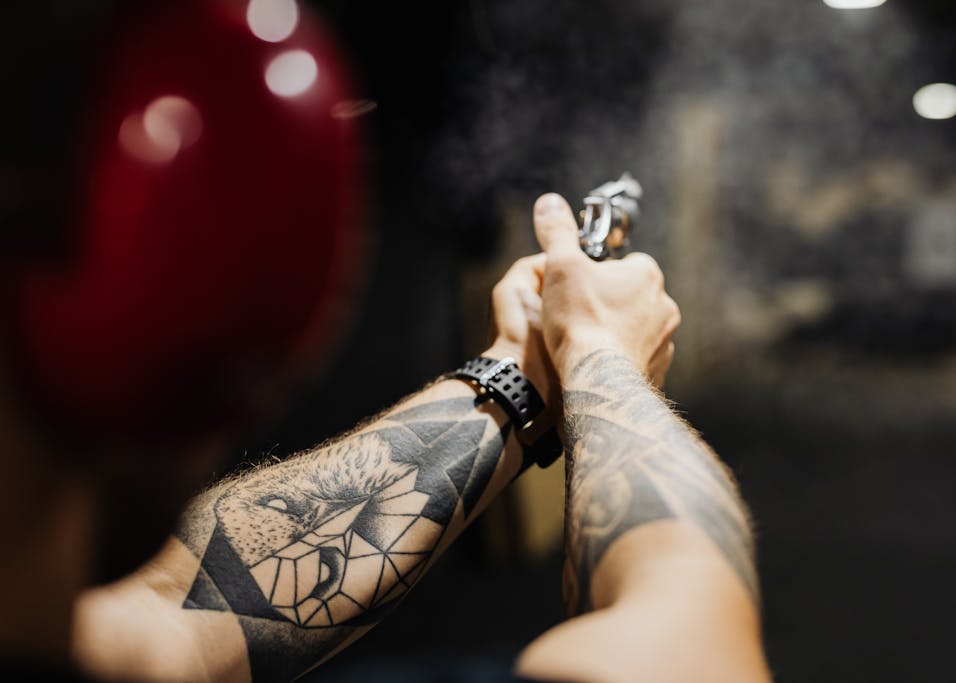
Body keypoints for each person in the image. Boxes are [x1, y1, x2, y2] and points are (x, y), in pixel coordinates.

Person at [1, 181, 771, 681]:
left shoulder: (50, 633)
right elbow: (691, 646)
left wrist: (517, 373)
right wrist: (605, 357)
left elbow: (186, 598)